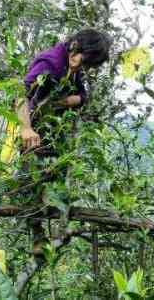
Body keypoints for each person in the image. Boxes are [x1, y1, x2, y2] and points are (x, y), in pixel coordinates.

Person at [15, 28, 111, 256]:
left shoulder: (73, 68)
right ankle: (37, 234)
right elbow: (21, 94)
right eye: (78, 57)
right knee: (30, 178)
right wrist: (26, 128)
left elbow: (83, 96)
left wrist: (69, 101)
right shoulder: (51, 62)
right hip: (32, 126)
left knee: (58, 173)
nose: (79, 64)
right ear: (75, 44)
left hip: (53, 131)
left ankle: (57, 219)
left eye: (85, 64)